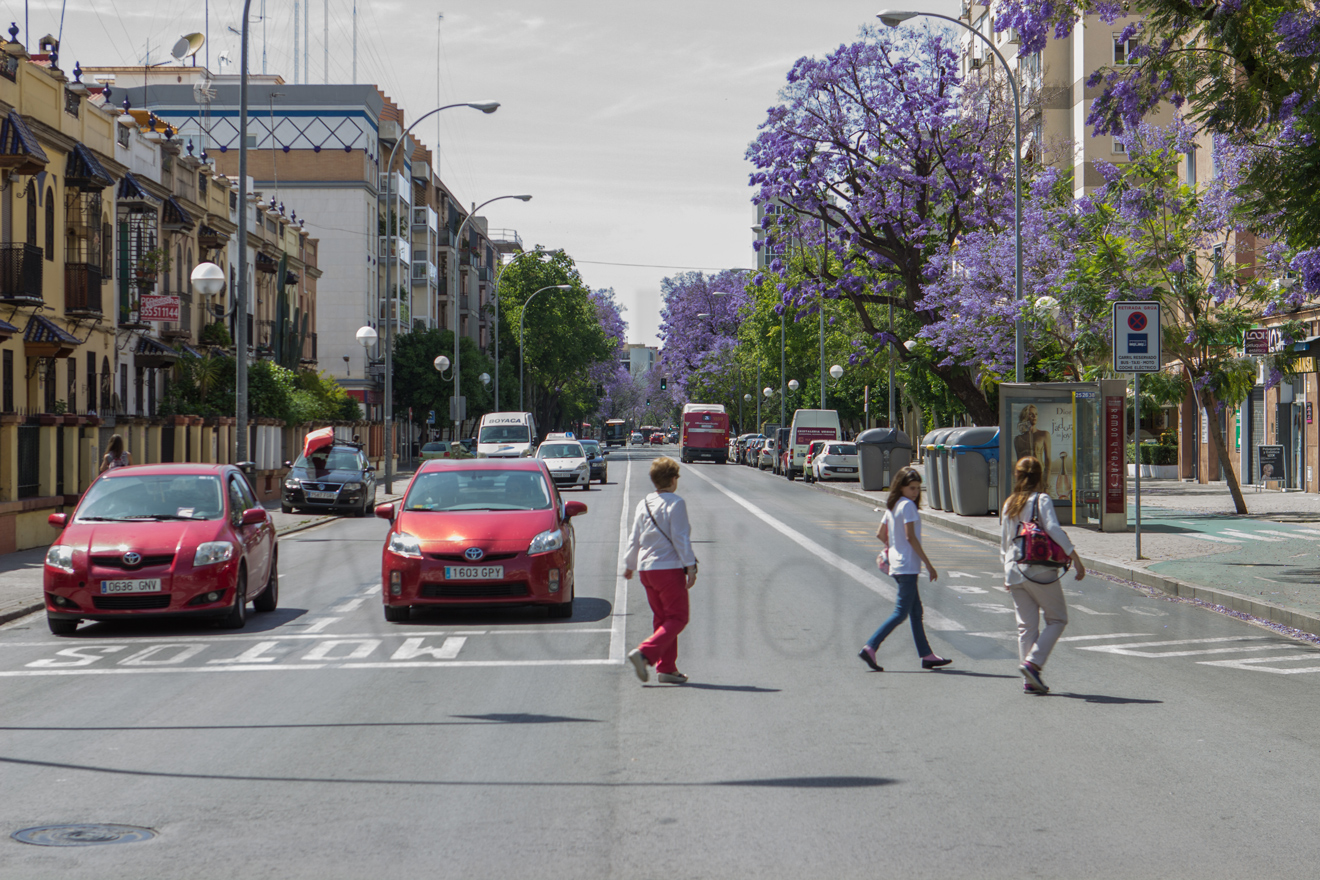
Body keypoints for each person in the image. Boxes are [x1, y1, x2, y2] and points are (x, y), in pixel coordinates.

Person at [1000, 456, 1087, 695]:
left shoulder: (1009, 503)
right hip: (1038, 569)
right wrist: (1075, 558)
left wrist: (1006, 574)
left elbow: (1005, 542)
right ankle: (1033, 664)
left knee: (1026, 628)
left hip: (1014, 570)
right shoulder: (1042, 500)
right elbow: (1053, 529)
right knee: (1057, 619)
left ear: (1016, 476)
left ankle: (1029, 681)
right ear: (1042, 477)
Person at [858, 467, 952, 672]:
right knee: (901, 612)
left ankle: (927, 655)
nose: (916, 492)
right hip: (907, 566)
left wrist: (893, 548)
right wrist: (928, 563)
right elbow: (911, 537)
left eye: (918, 488)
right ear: (901, 487)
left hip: (897, 564)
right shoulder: (908, 506)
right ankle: (870, 647)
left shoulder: (892, 506)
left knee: (916, 611)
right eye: (912, 488)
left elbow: (880, 534)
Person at [623, 456, 698, 685]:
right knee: (678, 617)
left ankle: (667, 668)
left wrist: (629, 564)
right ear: (673, 479)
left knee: (663, 619)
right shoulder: (676, 503)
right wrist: (691, 566)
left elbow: (635, 536)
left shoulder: (643, 503)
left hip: (647, 570)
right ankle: (645, 653)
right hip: (668, 568)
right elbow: (680, 538)